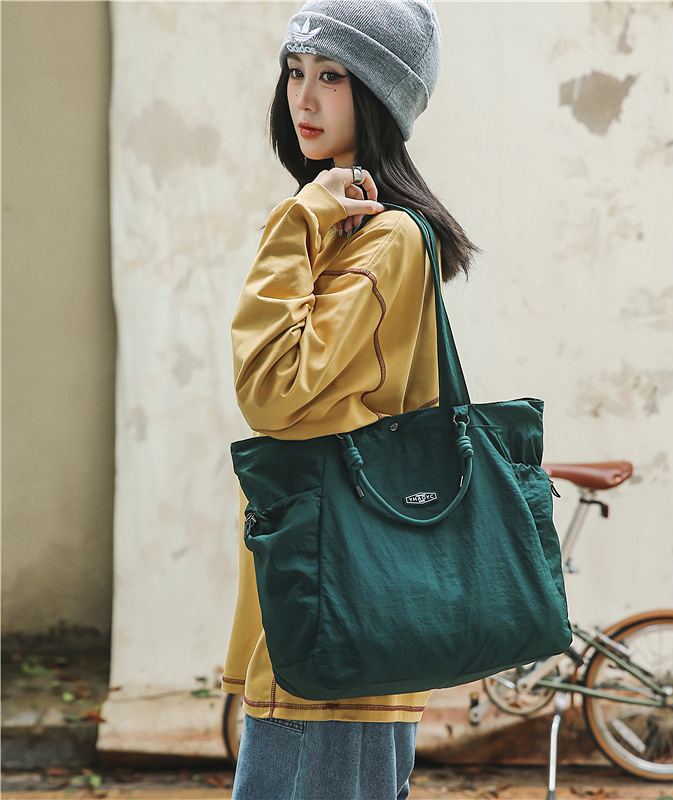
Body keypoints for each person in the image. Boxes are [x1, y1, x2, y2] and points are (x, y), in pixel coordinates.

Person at [222, 2, 476, 797]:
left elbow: (270, 390)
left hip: (338, 610)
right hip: (319, 600)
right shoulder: (344, 226)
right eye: (295, 72)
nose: (303, 98)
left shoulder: (383, 236)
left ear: (380, 96)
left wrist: (297, 220)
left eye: (332, 77)